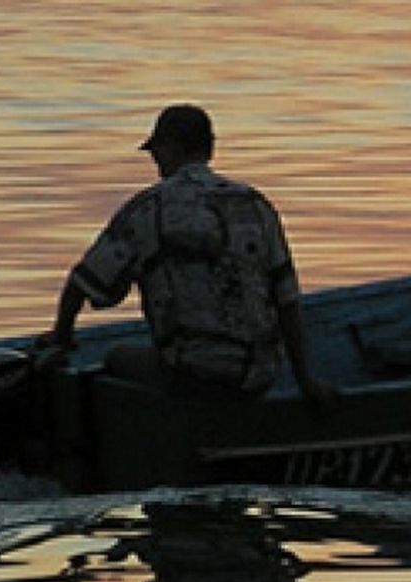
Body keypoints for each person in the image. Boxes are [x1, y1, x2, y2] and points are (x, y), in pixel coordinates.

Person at [41, 104, 336, 404]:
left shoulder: (148, 210)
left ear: (170, 149)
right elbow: (287, 302)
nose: (154, 160)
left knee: (116, 356)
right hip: (258, 377)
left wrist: (61, 337)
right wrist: (305, 380)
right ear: (209, 150)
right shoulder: (255, 205)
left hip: (192, 377)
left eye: (156, 150)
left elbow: (82, 283)